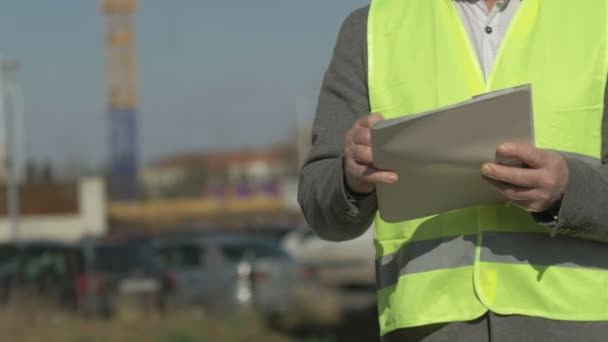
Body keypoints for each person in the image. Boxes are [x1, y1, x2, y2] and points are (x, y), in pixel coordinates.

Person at [298, 0, 608, 341]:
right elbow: (319, 206)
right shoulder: (370, 29)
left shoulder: (598, 16)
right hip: (429, 329)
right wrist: (350, 177)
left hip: (580, 324)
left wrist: (568, 189)